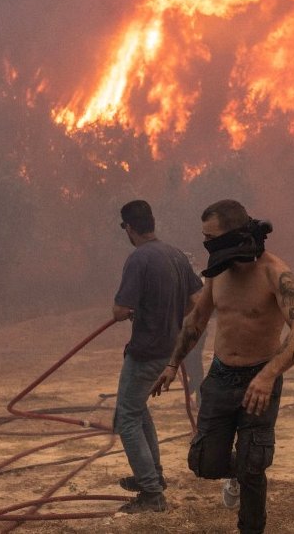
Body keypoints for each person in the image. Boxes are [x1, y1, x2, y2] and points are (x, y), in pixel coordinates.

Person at [151, 199, 294, 534]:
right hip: (222, 375)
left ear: (233, 235)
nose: (206, 243)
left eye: (211, 236)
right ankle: (236, 473)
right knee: (204, 463)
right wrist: (172, 363)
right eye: (203, 236)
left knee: (254, 465)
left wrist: (268, 376)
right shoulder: (217, 273)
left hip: (260, 378)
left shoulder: (275, 273)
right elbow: (197, 321)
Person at [112, 200, 203, 513]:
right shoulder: (175, 254)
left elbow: (120, 310)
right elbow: (196, 299)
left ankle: (151, 493)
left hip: (145, 351)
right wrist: (173, 318)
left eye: (124, 228)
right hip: (167, 349)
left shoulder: (139, 259)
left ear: (130, 228)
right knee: (137, 411)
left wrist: (137, 314)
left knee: (125, 417)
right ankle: (152, 477)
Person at [182, 251, 209, 409]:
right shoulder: (183, 279)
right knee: (187, 359)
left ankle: (199, 393)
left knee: (193, 358)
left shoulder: (201, 280)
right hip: (185, 327)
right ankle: (194, 384)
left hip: (197, 327)